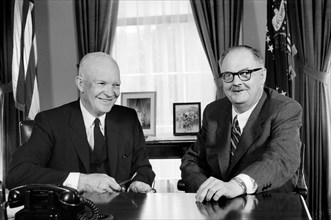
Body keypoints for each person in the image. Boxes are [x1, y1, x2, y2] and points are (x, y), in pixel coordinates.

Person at [6, 52, 155, 193]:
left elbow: (144, 169)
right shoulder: (51, 122)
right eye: (102, 83)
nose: (111, 93)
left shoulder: (128, 118)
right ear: (81, 84)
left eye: (116, 85)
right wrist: (79, 181)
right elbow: (16, 174)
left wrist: (140, 183)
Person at [180, 45, 303, 202]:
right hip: (219, 210)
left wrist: (236, 185)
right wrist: (210, 189)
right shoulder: (213, 112)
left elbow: (281, 159)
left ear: (262, 75)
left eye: (245, 74)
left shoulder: (285, 109)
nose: (236, 82)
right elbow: (192, 160)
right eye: (228, 75)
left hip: (268, 206)